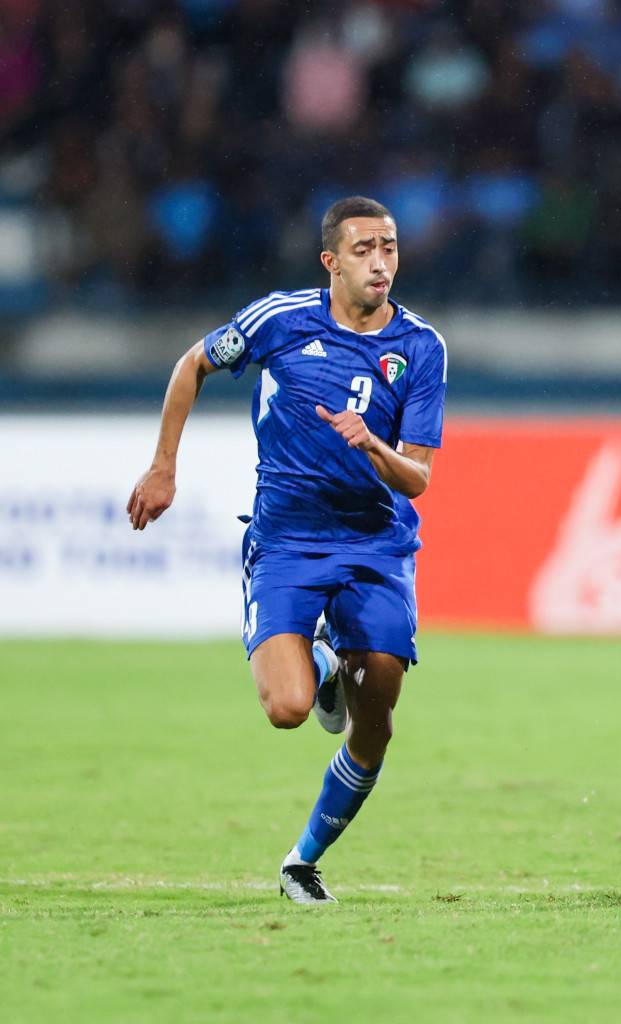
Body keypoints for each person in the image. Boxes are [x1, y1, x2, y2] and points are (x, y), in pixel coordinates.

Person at [126, 196, 448, 904]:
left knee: (378, 717)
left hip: (376, 545)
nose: (381, 262)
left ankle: (303, 861)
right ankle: (325, 658)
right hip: (288, 541)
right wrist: (163, 466)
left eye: (390, 247)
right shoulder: (279, 320)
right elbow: (192, 365)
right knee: (288, 708)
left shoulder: (420, 347)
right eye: (364, 249)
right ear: (331, 262)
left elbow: (420, 477)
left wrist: (373, 445)